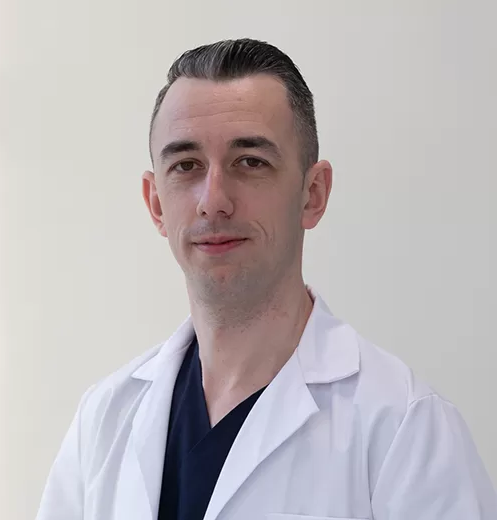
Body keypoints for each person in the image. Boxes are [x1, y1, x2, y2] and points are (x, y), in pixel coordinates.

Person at [36, 38, 497, 520]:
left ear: (313, 194)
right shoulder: (103, 421)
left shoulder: (406, 428)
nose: (213, 201)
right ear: (155, 204)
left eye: (250, 162)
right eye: (186, 166)